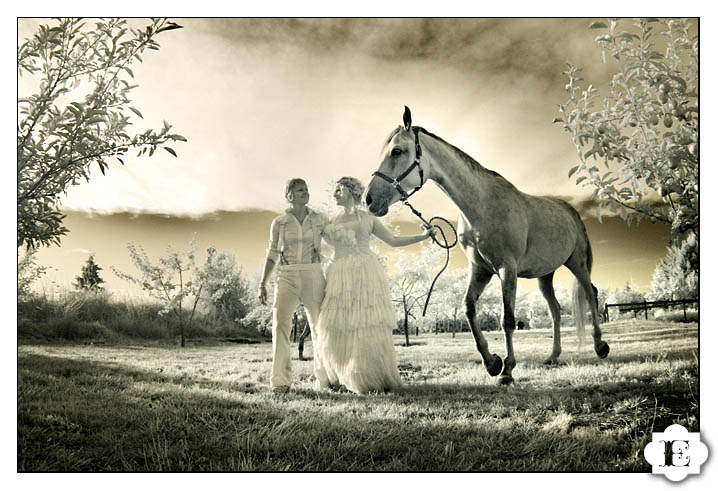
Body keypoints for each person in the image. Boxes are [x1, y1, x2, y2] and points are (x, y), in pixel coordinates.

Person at [314, 176, 436, 394]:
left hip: (365, 272)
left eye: (339, 189)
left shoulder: (368, 219)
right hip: (338, 273)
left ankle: (366, 377)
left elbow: (393, 241)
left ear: (352, 191)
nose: (334, 194)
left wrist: (423, 237)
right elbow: (316, 247)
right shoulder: (330, 222)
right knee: (338, 324)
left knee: (365, 322)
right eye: (334, 190)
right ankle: (340, 375)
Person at [258, 178, 329, 393]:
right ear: (289, 195)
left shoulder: (319, 219)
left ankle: (325, 379)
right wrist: (262, 283)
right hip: (287, 276)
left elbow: (336, 238)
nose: (305, 193)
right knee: (280, 325)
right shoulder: (279, 222)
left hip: (313, 274)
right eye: (300, 190)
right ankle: (280, 381)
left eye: (307, 189)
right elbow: (272, 254)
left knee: (319, 326)